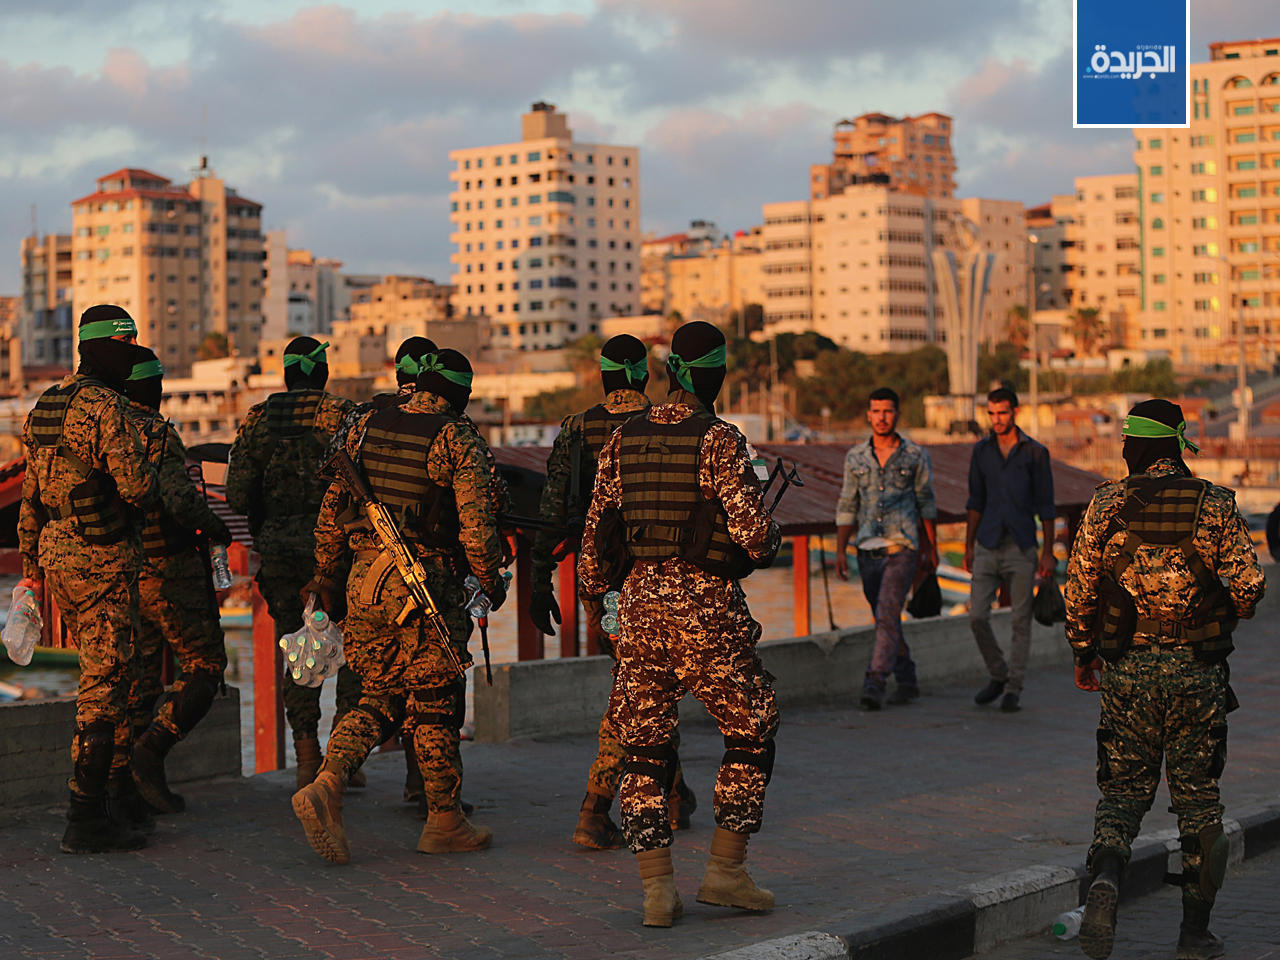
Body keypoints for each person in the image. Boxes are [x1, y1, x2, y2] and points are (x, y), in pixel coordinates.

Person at [579, 321, 781, 928]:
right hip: (706, 611)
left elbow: (592, 553)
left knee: (644, 747)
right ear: (714, 373)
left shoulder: (623, 437)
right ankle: (726, 872)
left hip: (639, 611)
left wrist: (611, 597)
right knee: (752, 727)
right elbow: (753, 536)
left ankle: (657, 892)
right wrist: (766, 537)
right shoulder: (719, 439)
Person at [1064, 399, 1264, 960]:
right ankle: (1194, 934)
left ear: (1137, 447)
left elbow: (1078, 591)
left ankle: (1105, 879)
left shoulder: (1106, 503)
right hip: (1197, 676)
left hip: (1126, 673)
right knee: (1199, 806)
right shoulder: (1214, 503)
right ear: (1176, 445)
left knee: (1124, 792)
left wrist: (1084, 653)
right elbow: (1249, 590)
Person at [291, 349, 507, 864]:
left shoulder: (364, 422)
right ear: (460, 392)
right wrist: (489, 578)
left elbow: (331, 510)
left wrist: (325, 575)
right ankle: (444, 820)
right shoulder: (456, 436)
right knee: (434, 698)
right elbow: (477, 528)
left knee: (379, 693)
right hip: (421, 583)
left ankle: (328, 781)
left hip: (363, 581)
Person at [528, 335, 698, 851]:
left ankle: (674, 791)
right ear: (645, 377)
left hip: (595, 577)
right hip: (655, 575)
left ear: (602, 378)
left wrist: (538, 578)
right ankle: (595, 807)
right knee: (638, 686)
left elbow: (552, 510)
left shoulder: (577, 429)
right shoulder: (673, 422)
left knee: (641, 677)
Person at [17, 304, 158, 853]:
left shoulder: (45, 403)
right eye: (126, 344)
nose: (130, 354)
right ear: (106, 348)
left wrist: (31, 570)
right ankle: (84, 815)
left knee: (114, 674)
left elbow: (30, 498)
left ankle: (116, 799)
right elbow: (138, 488)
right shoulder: (107, 408)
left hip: (58, 558)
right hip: (100, 559)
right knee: (104, 686)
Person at [226, 336, 361, 788]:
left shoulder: (260, 420)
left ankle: (307, 758)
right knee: (353, 653)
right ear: (322, 373)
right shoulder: (343, 415)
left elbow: (238, 495)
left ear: (287, 375)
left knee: (301, 656)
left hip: (281, 557)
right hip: (338, 557)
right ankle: (345, 761)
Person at [119, 347, 233, 815]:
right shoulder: (155, 433)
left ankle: (128, 786)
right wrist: (216, 527)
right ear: (155, 389)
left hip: (129, 568)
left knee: (142, 681)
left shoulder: (109, 430)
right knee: (206, 669)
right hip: (170, 569)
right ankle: (149, 754)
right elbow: (181, 503)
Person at [834, 387, 938, 711]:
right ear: (868, 414)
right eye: (876, 411)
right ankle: (907, 679)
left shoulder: (915, 456)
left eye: (888, 411)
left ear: (897, 414)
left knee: (888, 612)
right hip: (866, 548)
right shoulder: (855, 458)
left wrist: (930, 548)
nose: (882, 417)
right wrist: (840, 550)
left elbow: (926, 503)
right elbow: (847, 503)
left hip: (902, 545)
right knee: (885, 618)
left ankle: (875, 681)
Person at [963, 387, 1057, 713]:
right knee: (976, 615)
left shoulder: (1035, 453)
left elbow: (1047, 505)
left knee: (1020, 619)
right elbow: (975, 500)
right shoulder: (981, 451)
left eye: (1001, 412)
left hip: (1021, 545)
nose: (996, 419)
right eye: (991, 413)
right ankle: (998, 672)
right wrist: (968, 545)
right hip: (987, 541)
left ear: (1014, 412)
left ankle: (1013, 687)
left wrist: (1047, 551)